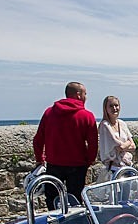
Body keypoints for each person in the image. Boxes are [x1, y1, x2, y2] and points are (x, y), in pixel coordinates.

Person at [33, 81, 98, 209]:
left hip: (54, 164)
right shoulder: (87, 116)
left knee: (52, 198)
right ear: (78, 95)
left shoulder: (49, 113)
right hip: (77, 165)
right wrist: (89, 160)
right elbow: (93, 144)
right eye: (85, 94)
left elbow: (38, 139)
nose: (86, 97)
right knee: (75, 199)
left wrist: (40, 160)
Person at [98, 96, 136, 181]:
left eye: (116, 105)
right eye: (111, 106)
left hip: (127, 166)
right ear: (106, 108)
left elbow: (133, 146)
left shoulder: (122, 123)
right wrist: (127, 143)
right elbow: (118, 145)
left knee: (126, 193)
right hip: (113, 169)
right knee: (115, 193)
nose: (114, 108)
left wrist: (125, 145)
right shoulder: (105, 125)